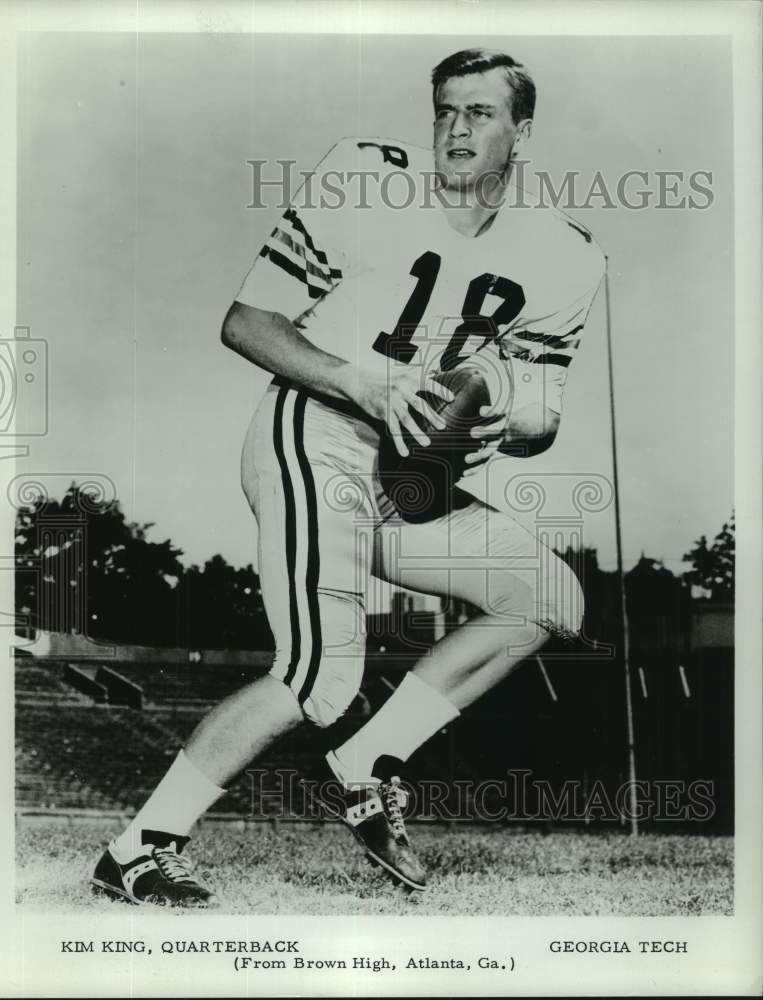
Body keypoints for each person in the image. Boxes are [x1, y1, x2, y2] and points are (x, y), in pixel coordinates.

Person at [92, 48, 606, 906]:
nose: (454, 128)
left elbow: (541, 419)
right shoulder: (365, 180)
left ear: (522, 131)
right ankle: (139, 848)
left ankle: (369, 760)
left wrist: (501, 413)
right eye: (443, 109)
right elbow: (246, 323)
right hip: (317, 429)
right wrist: (357, 378)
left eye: (478, 113)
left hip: (409, 474)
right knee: (321, 675)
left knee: (548, 598)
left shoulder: (564, 253)